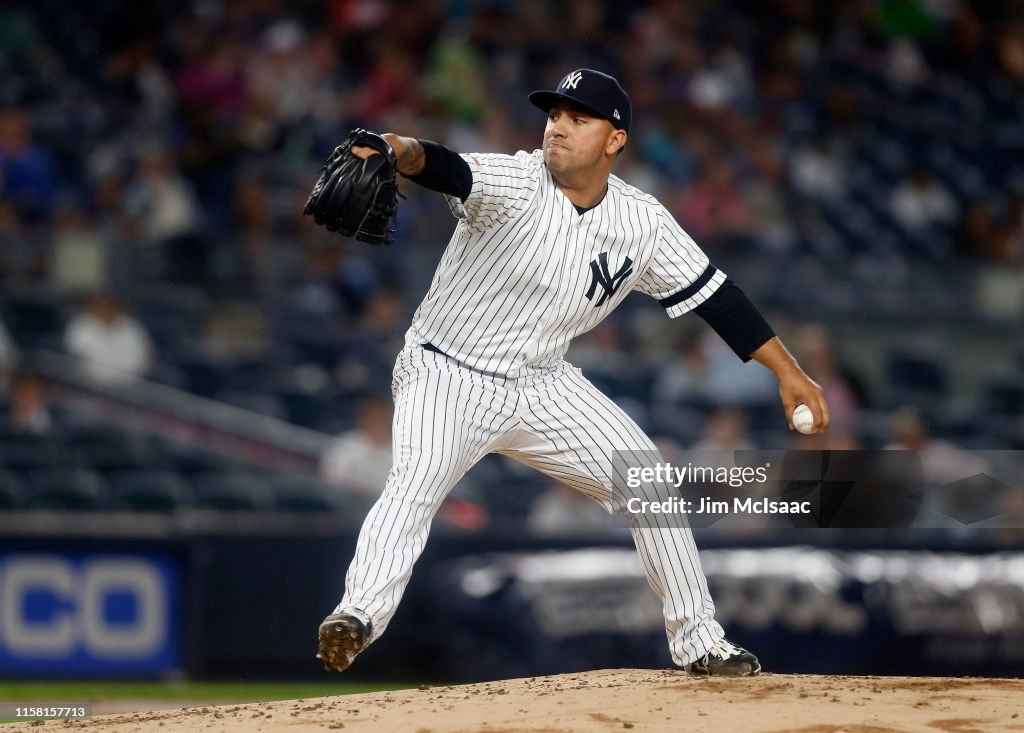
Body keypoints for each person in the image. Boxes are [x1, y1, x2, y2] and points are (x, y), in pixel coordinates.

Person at [316, 69, 829, 677]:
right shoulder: (514, 179)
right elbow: (440, 163)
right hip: (445, 373)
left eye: (578, 118)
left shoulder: (642, 221)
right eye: (554, 115)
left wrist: (788, 372)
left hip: (542, 383)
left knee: (651, 484)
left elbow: (717, 297)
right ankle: (357, 616)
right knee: (413, 487)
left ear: (614, 140)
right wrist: (395, 147)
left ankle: (701, 641)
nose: (557, 127)